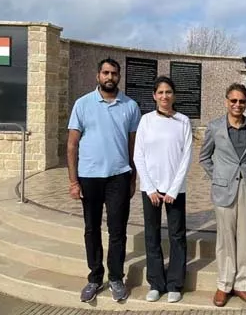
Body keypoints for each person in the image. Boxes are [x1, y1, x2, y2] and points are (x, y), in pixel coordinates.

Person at [67, 58, 141, 303]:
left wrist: (133, 177)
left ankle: (117, 277)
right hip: (89, 177)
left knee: (117, 230)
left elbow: (133, 145)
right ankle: (95, 277)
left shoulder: (130, 106)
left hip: (119, 176)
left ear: (119, 77)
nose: (110, 77)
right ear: (98, 75)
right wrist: (73, 181)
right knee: (91, 229)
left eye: (114, 73)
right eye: (106, 73)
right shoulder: (83, 104)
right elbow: (72, 144)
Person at [199, 83, 246, 307]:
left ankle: (241, 284)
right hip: (223, 189)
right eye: (233, 100)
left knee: (245, 236)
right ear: (227, 101)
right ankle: (224, 284)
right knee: (225, 238)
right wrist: (218, 176)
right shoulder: (215, 127)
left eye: (241, 101)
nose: (237, 105)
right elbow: (204, 156)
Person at [133, 76, 192, 304]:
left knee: (177, 236)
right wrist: (149, 187)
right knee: (152, 235)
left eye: (168, 92)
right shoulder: (146, 121)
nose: (165, 96)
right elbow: (139, 155)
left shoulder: (183, 121)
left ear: (173, 95)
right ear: (154, 96)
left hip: (175, 191)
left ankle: (175, 283)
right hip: (152, 191)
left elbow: (186, 156)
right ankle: (156, 283)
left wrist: (173, 189)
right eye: (160, 92)